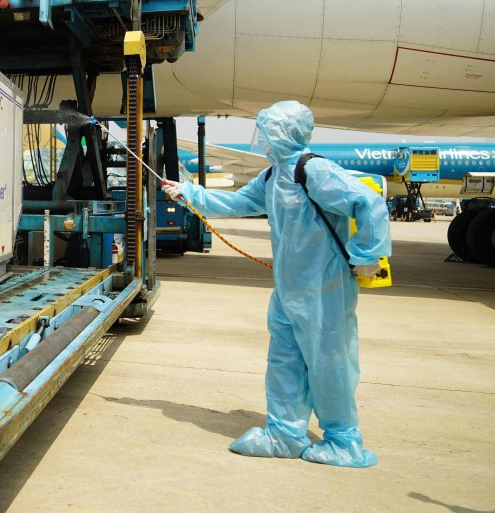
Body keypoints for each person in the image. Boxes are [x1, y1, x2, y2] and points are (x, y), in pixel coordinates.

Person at [162, 101, 391, 468]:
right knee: (284, 359)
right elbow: (238, 202)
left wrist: (367, 255)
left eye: (268, 131)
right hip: (289, 288)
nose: (265, 139)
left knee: (329, 361)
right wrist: (189, 193)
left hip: (324, 286)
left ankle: (343, 441)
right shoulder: (272, 175)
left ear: (285, 132)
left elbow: (369, 203)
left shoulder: (313, 170)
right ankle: (285, 434)